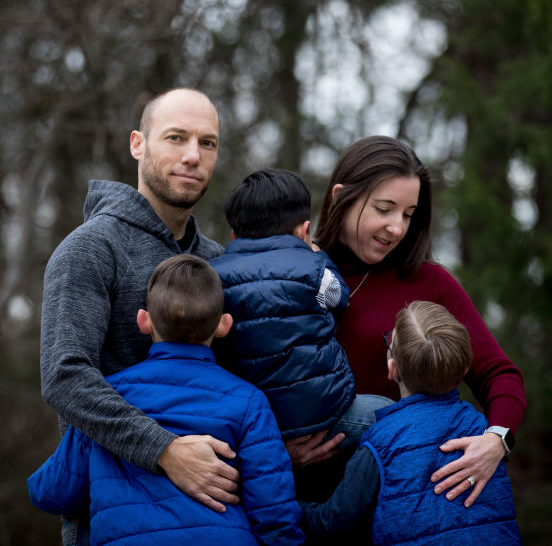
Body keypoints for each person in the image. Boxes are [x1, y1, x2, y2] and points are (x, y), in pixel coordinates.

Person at [39, 89, 241, 544]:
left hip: (214, 512)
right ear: (138, 144)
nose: (192, 156)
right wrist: (165, 450)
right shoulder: (90, 249)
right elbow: (65, 377)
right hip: (111, 511)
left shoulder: (217, 261)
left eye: (207, 143)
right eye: (176, 138)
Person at [289, 135, 526, 508]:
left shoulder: (429, 282)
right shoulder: (292, 272)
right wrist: (279, 454)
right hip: (306, 505)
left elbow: (499, 374)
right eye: (384, 209)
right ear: (340, 197)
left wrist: (497, 440)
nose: (398, 228)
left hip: (407, 504)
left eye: (408, 213)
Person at [29, 255, 304, 545]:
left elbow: (52, 492)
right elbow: (275, 516)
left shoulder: (106, 399)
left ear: (143, 321)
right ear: (224, 325)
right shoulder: (249, 402)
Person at [299, 301, 522, 545]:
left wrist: (283, 504)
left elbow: (333, 523)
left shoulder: (380, 442)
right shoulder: (483, 433)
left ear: (392, 368)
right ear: (465, 369)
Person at [210, 169, 392, 445]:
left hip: (248, 423)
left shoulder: (212, 276)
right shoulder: (313, 269)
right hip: (320, 414)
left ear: (233, 235)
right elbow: (340, 297)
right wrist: (320, 257)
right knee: (387, 413)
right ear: (304, 230)